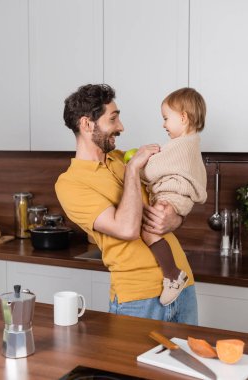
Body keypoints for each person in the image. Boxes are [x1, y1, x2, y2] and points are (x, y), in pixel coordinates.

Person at [55, 84, 198, 324]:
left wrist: (176, 218)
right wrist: (132, 169)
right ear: (87, 124)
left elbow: (173, 191)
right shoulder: (70, 183)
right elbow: (126, 229)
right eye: (113, 119)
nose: (121, 127)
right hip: (138, 298)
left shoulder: (122, 158)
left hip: (183, 284)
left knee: (190, 361)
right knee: (137, 363)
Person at [139, 87, 207, 306]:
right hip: (179, 198)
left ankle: (173, 275)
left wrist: (138, 165)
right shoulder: (192, 143)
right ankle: (173, 275)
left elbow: (151, 171)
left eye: (166, 118)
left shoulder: (180, 146)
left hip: (172, 196)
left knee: (149, 231)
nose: (163, 124)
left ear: (183, 117)